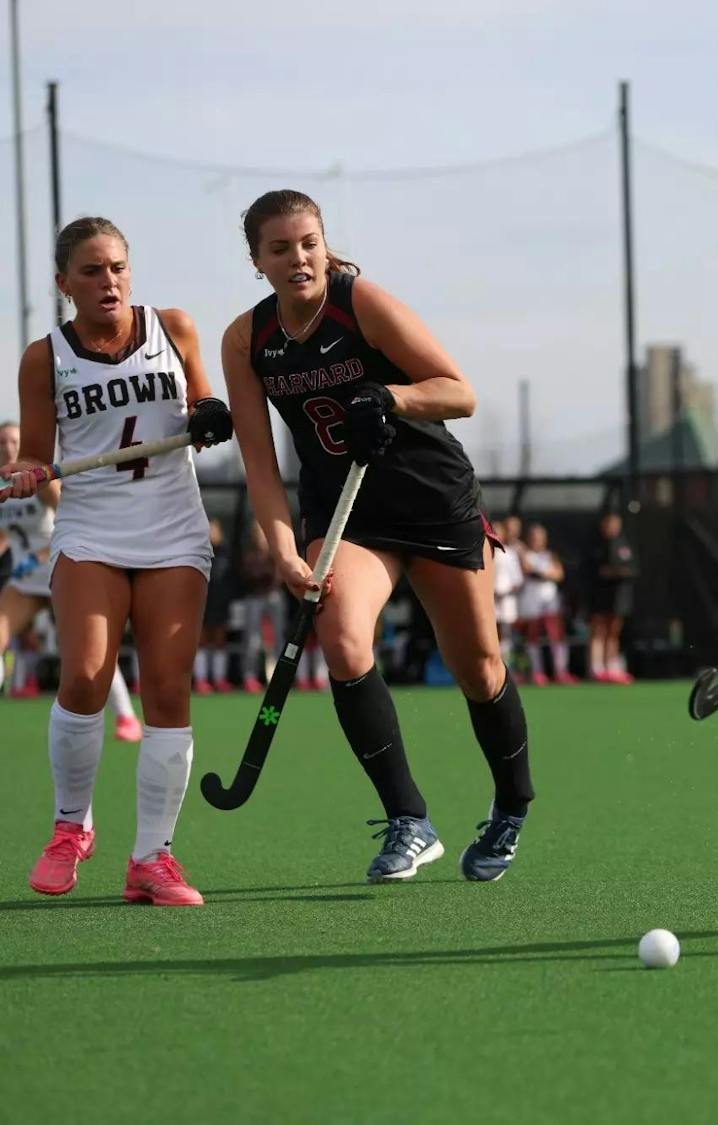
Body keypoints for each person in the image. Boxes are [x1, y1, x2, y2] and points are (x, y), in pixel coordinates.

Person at [223, 189, 533, 884]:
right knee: (342, 639)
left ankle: (512, 802)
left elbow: (458, 390)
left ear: (324, 244)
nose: (299, 257)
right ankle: (408, 818)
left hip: (432, 501)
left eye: (309, 242)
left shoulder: (359, 303)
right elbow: (261, 467)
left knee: (479, 669)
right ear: (257, 262)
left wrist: (387, 396)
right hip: (347, 514)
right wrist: (282, 551)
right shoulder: (248, 340)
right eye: (281, 248)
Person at [2, 216, 233, 906]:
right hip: (94, 527)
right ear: (63, 283)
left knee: (167, 690)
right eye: (92, 270)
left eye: (118, 268)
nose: (108, 281)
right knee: (84, 677)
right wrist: (28, 471)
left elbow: (204, 402)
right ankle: (71, 826)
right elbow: (42, 453)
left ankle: (152, 858)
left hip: (172, 528)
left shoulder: (174, 327)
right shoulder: (45, 358)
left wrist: (210, 414)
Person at [0, 420, 145, 737]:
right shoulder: (1, 488)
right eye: (2, 442)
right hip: (25, 582)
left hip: (57, 567)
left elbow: (71, 516)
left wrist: (40, 555)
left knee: (89, 651)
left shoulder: (34, 478)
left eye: (14, 441)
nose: (8, 447)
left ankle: (126, 718)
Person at [517, 522, 573, 685]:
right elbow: (527, 569)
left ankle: (561, 671)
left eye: (540, 538)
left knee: (557, 635)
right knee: (532, 636)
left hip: (550, 599)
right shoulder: (524, 554)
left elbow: (559, 574)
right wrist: (546, 573)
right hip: (531, 600)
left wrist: (541, 572)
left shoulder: (551, 555)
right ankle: (537, 672)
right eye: (534, 537)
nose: (537, 540)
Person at [585, 511, 636, 683]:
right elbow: (591, 571)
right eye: (609, 524)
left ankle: (612, 667)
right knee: (598, 630)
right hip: (599, 595)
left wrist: (617, 573)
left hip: (619, 596)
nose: (612, 527)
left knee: (614, 631)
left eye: (615, 524)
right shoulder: (595, 546)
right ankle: (596, 668)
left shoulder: (624, 545)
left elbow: (632, 568)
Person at [238, 522, 282, 692]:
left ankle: (278, 677)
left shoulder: (274, 551)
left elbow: (279, 574)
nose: (259, 535)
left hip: (273, 596)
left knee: (278, 637)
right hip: (253, 597)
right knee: (252, 639)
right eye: (256, 532)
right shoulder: (248, 553)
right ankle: (249, 677)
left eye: (261, 532)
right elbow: (246, 574)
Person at [194, 517, 236, 693]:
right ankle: (202, 680)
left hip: (221, 604)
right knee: (201, 641)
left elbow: (234, 579)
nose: (212, 533)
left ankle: (219, 679)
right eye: (209, 530)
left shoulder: (227, 554)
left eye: (215, 530)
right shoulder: (198, 552)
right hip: (201, 602)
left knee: (220, 641)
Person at [492, 513, 524, 667]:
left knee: (508, 636)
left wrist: (504, 591)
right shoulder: (486, 554)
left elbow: (518, 580)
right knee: (493, 636)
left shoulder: (510, 554)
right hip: (490, 603)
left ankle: (508, 667)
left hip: (507, 602)